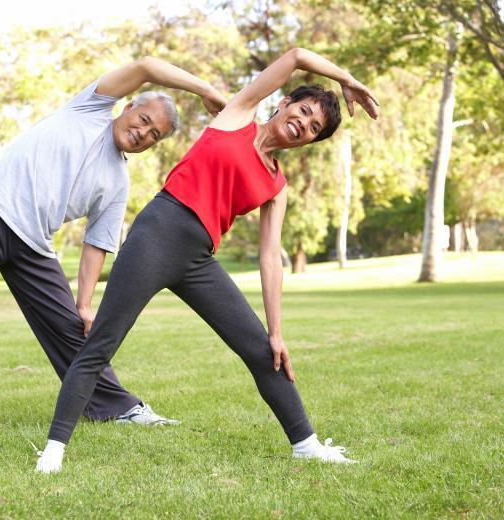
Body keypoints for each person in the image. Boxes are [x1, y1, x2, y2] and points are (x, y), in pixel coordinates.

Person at [35, 47, 380, 472]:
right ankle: (53, 451)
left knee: (262, 351)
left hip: (198, 258)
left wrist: (277, 332)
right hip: (157, 234)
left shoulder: (277, 184)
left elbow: (270, 260)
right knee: (101, 344)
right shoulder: (238, 114)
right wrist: (346, 78)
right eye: (304, 110)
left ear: (309, 140)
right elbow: (294, 57)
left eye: (313, 128)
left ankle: (306, 444)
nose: (302, 124)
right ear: (285, 102)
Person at [0, 57, 228, 436]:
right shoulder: (90, 107)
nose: (143, 133)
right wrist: (207, 90)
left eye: (154, 136)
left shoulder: (117, 182)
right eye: (145, 120)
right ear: (129, 106)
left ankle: (116, 406)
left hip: (33, 242)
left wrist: (84, 305)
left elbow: (97, 244)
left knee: (72, 327)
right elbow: (147, 66)